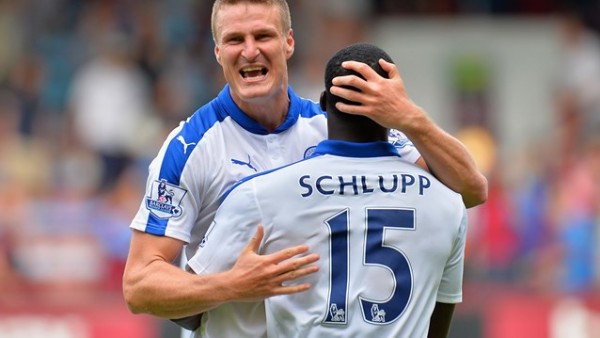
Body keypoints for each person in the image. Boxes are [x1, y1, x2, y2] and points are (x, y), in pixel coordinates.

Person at [122, 0, 486, 327]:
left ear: (289, 42)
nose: (250, 51)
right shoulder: (190, 147)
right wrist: (230, 286)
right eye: (235, 40)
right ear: (217, 51)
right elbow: (139, 286)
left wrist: (409, 117)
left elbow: (469, 189)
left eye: (263, 35)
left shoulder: (332, 127)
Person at [187, 42, 467, 337]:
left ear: (323, 103)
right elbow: (435, 327)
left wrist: (232, 287)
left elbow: (188, 313)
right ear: (396, 104)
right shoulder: (448, 204)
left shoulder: (259, 195)